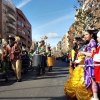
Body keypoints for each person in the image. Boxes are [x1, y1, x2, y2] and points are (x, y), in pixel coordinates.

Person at [64, 35, 93, 100]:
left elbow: (88, 56)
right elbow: (75, 56)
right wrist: (73, 61)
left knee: (83, 81)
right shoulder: (77, 48)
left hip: (83, 66)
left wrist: (81, 59)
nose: (77, 43)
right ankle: (75, 93)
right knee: (75, 80)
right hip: (78, 66)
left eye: (78, 42)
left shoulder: (86, 47)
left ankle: (83, 95)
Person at [79, 29, 99, 100]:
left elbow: (92, 54)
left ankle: (96, 97)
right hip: (88, 62)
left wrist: (83, 53)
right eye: (84, 35)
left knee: (93, 80)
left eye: (86, 34)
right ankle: (94, 96)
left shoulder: (93, 42)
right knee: (91, 80)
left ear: (91, 35)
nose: (85, 36)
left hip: (91, 63)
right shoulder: (90, 42)